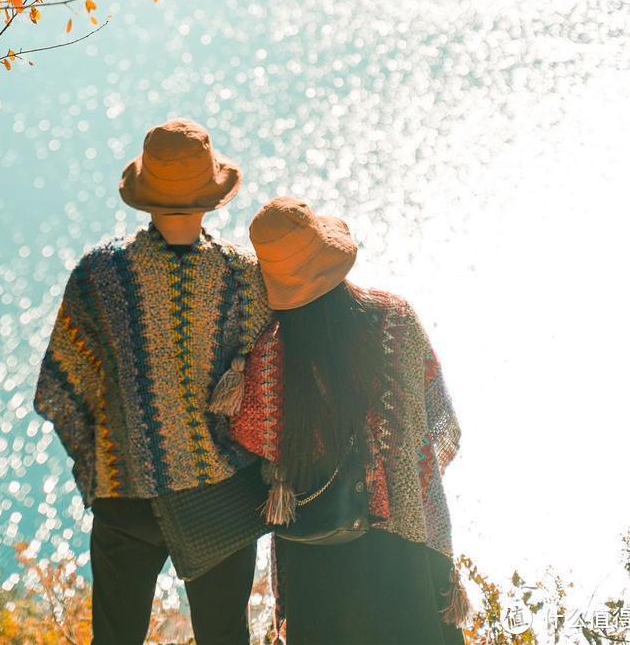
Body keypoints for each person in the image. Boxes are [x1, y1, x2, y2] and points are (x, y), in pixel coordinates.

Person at [33, 118, 270, 645]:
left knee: (115, 639)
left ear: (145, 196)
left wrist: (103, 463)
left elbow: (63, 386)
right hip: (221, 491)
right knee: (225, 636)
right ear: (211, 197)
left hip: (125, 489)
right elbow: (266, 388)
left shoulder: (99, 275)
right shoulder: (243, 276)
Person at [228, 196, 466, 645]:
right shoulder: (395, 318)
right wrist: (395, 475)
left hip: (316, 550)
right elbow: (439, 424)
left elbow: (246, 441)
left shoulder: (267, 359)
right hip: (405, 539)